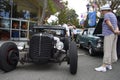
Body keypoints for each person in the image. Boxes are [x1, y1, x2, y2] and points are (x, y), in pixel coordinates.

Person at [95, 4, 120, 72]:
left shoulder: (107, 15)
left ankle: (103, 67)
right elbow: (116, 25)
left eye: (102, 11)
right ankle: (109, 65)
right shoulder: (113, 15)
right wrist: (116, 31)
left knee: (107, 50)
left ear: (105, 10)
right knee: (112, 50)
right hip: (115, 35)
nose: (102, 12)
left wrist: (113, 30)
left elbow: (108, 23)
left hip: (109, 34)